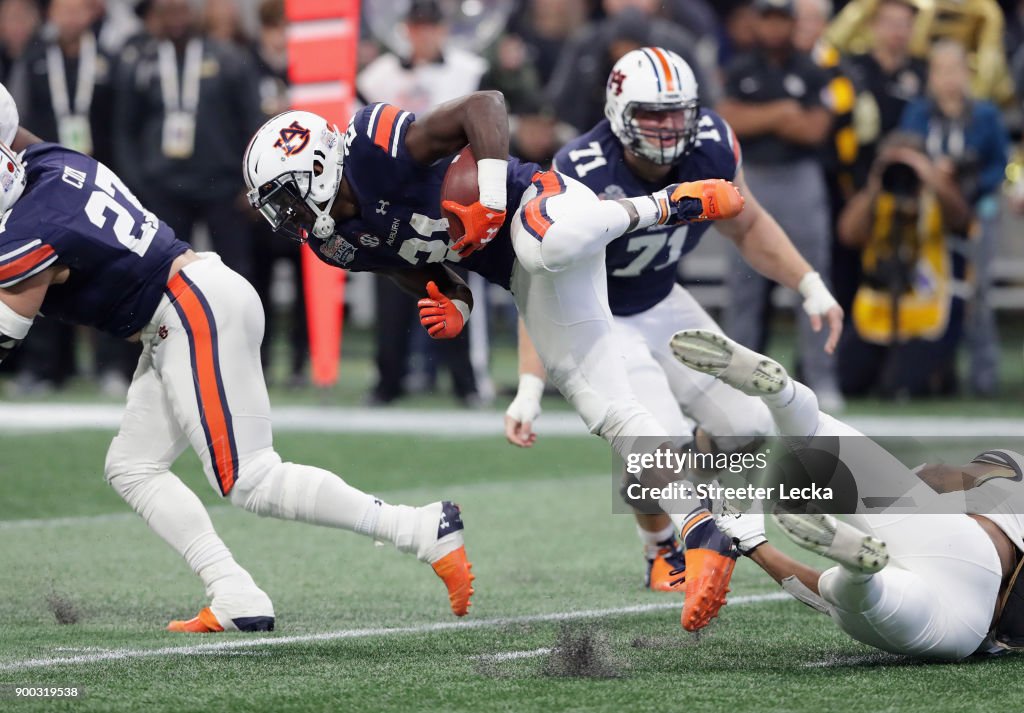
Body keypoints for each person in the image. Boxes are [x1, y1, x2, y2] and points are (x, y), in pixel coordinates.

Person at [243, 91, 746, 632]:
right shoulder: (333, 240)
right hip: (522, 274)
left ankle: (670, 203)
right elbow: (412, 263)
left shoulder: (374, 147)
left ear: (317, 169)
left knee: (539, 245)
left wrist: (487, 195)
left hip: (544, 204)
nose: (284, 214)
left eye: (286, 196)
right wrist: (455, 301)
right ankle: (699, 530)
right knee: (605, 408)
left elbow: (484, 105)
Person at [0, 104, 473, 633]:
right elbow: (13, 129)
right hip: (187, 301)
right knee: (134, 466)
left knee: (251, 479)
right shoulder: (48, 160)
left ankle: (418, 528)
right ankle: (234, 592)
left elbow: (5, 333)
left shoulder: (30, 228)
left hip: (187, 307)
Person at [505, 48, 842, 592]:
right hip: (599, 318)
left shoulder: (711, 143)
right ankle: (659, 547)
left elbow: (748, 225)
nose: (667, 128)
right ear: (618, 112)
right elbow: (536, 279)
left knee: (750, 425)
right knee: (653, 440)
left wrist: (810, 284)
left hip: (664, 300)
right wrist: (529, 383)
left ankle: (698, 489)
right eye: (652, 115)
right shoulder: (581, 171)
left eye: (676, 113)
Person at [670, 327, 1023, 660]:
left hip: (964, 540)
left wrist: (900, 488)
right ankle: (854, 571)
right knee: (853, 600)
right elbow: (822, 599)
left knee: (818, 433)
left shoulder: (1010, 471)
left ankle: (784, 396)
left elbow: (937, 476)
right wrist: (755, 548)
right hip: (971, 623)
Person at [717, 0, 843, 411]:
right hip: (752, 175)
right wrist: (781, 113)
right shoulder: (740, 67)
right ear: (757, 21)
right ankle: (740, 380)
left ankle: (820, 378)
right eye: (766, 19)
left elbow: (815, 129)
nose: (773, 28)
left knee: (813, 279)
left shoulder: (813, 68)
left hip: (799, 178)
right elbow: (727, 117)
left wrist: (761, 117)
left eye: (780, 20)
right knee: (744, 285)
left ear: (790, 23)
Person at [899, 41, 1009, 396]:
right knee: (928, 290)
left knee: (976, 296)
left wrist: (969, 183)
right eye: (941, 70)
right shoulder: (918, 113)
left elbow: (998, 165)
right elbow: (904, 155)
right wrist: (934, 176)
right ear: (930, 76)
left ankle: (983, 377)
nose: (949, 79)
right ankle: (931, 374)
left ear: (968, 73)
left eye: (955, 70)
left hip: (975, 213)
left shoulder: (986, 115)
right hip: (927, 217)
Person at [836, 132, 971, 397]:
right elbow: (848, 234)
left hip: (926, 310)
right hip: (876, 309)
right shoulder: (877, 196)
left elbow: (961, 219)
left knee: (901, 388)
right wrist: (876, 184)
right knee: (847, 382)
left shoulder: (934, 195)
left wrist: (929, 176)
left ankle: (938, 373)